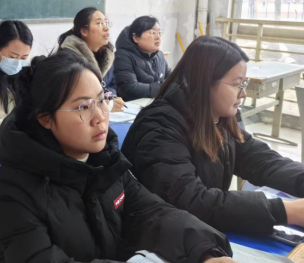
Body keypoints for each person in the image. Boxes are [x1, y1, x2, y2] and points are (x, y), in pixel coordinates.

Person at [0, 51, 235, 263]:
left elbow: (152, 213)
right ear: (45, 118)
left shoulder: (105, 161)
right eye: (83, 107)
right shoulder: (14, 188)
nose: (100, 117)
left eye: (102, 100)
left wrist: (207, 252)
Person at [121, 35, 304, 235]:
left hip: (196, 235)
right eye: (237, 84)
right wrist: (287, 211)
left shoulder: (216, 119)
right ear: (205, 82)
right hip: (160, 239)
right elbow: (191, 201)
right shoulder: (159, 129)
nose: (243, 93)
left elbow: (261, 161)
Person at [58, 7, 125, 112]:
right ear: (84, 31)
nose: (106, 28)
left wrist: (110, 99)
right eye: (99, 23)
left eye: (106, 23)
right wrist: (103, 103)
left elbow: (111, 85)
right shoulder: (69, 58)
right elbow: (72, 97)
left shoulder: (106, 55)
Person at [114, 16, 170, 102]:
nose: (158, 37)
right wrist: (163, 87)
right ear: (135, 37)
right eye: (152, 33)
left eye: (159, 33)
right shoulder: (122, 56)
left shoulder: (160, 55)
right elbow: (130, 88)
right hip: (131, 107)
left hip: (156, 104)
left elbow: (172, 78)